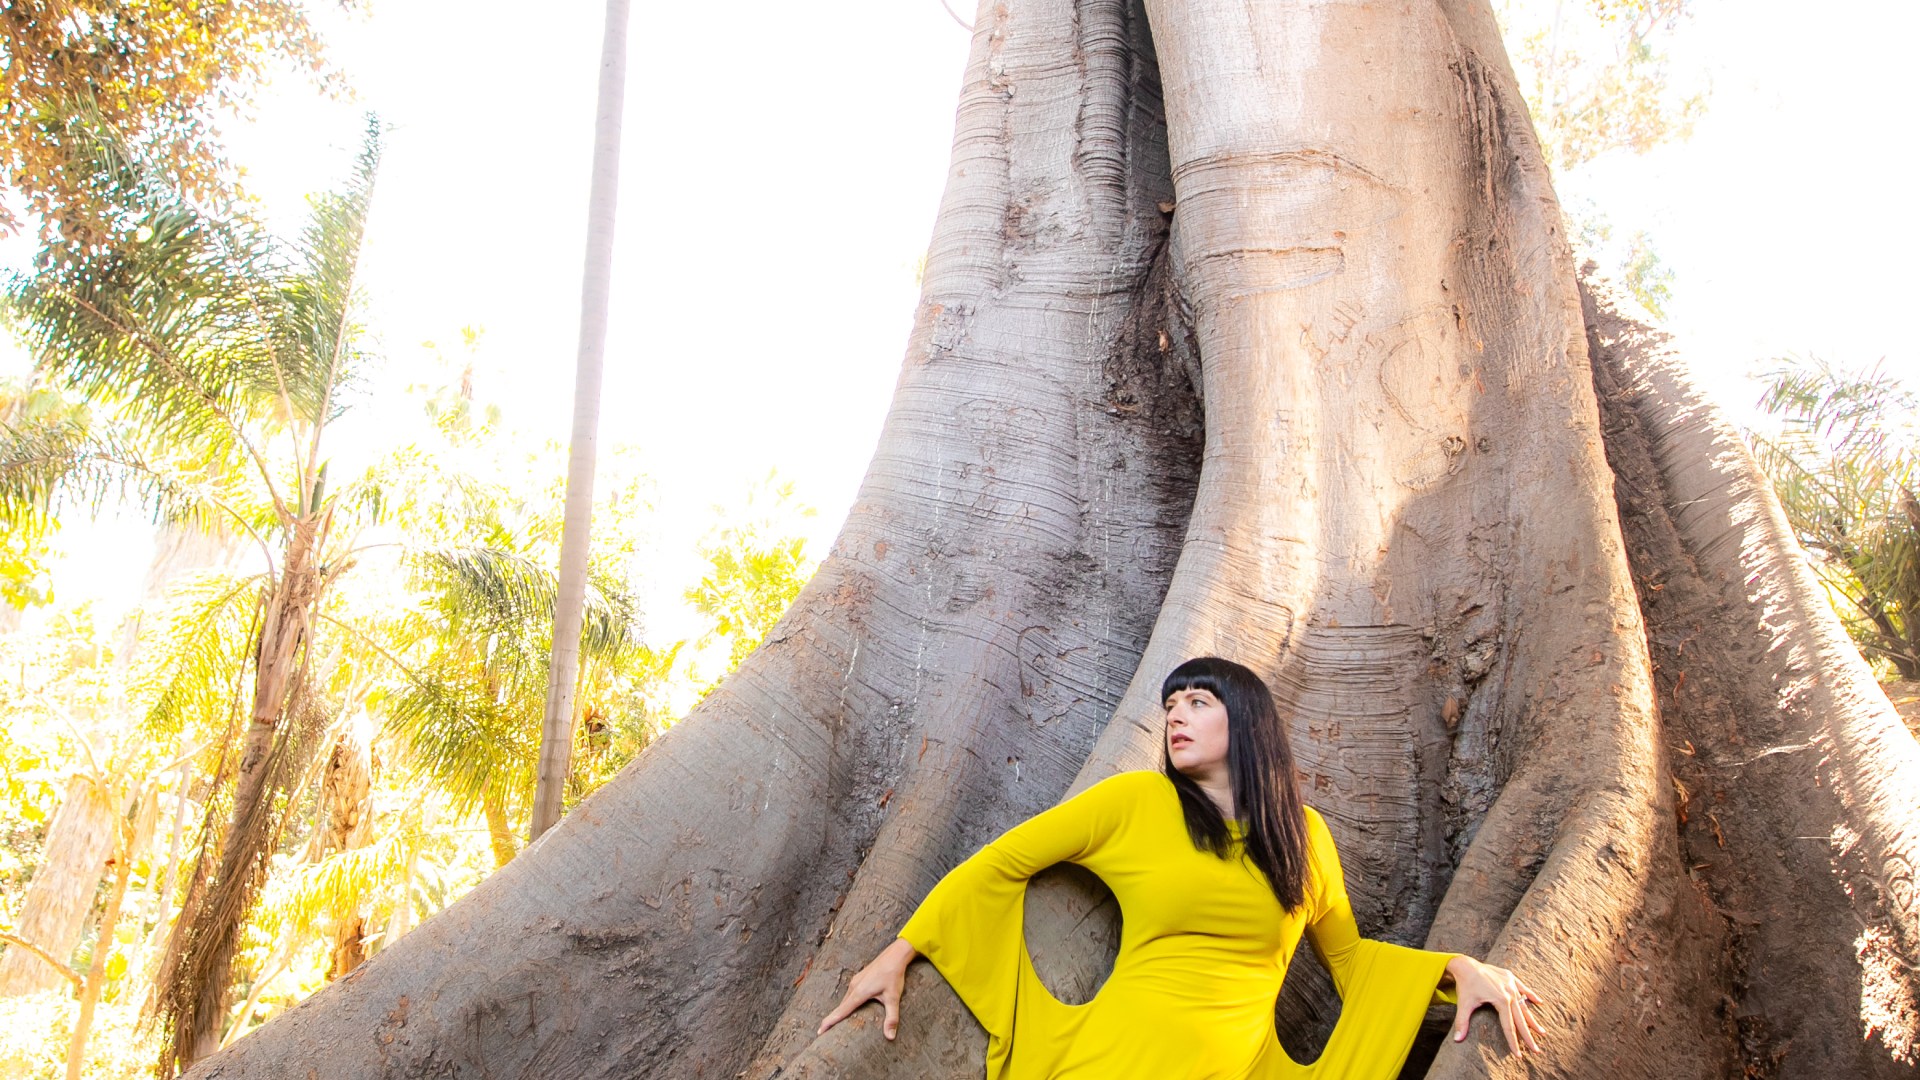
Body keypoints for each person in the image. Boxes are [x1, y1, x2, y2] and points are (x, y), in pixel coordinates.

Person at [818, 656, 1545, 1079]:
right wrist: (898, 953)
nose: (1176, 716)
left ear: (1247, 722)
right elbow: (999, 863)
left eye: (1198, 702)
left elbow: (1351, 962)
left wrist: (1458, 970)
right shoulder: (1136, 801)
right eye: (1171, 704)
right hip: (1113, 1058)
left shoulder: (1305, 838)